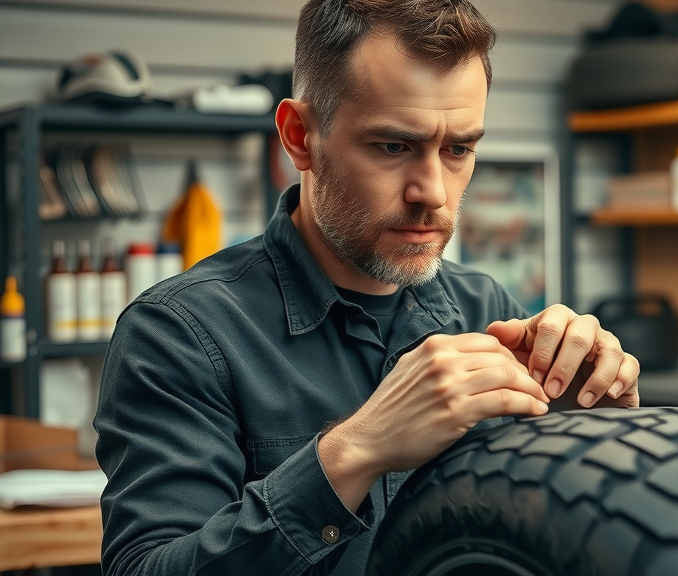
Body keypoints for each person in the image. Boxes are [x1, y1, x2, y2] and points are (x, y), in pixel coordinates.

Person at [94, 1, 640, 574]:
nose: (431, 191)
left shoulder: (488, 312)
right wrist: (353, 452)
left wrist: (603, 434)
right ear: (300, 136)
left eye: (457, 149)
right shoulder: (180, 335)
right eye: (393, 146)